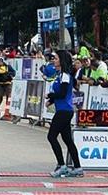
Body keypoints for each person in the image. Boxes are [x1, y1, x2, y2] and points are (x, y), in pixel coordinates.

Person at [45, 50, 83, 178]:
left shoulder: (65, 75)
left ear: (61, 60)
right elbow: (62, 94)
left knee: (51, 136)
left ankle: (62, 166)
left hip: (64, 111)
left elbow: (62, 93)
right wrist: (51, 101)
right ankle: (78, 168)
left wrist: (51, 95)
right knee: (67, 140)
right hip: (63, 110)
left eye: (55, 58)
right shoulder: (60, 75)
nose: (53, 60)